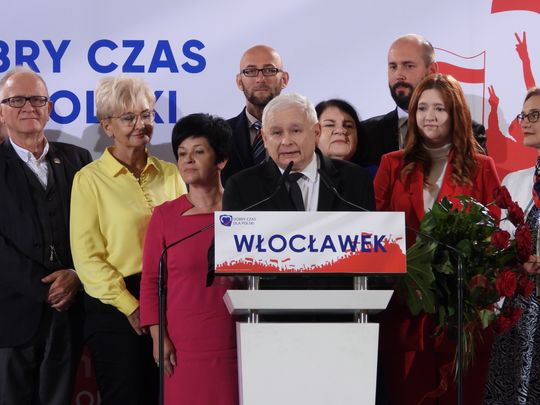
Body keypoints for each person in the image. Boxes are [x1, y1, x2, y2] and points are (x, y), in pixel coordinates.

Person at [374, 73, 500, 405]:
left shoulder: (482, 167)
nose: (429, 116)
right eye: (422, 108)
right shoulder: (391, 165)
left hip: (462, 315)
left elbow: (493, 236)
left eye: (440, 109)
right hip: (405, 311)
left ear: (456, 114)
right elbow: (375, 230)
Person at [70, 75, 186, 405]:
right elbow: (88, 259)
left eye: (146, 114)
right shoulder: (88, 180)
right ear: (107, 125)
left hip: (171, 300)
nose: (140, 124)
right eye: (128, 117)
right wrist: (132, 306)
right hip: (118, 309)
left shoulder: (172, 173)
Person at [0, 67, 92, 404]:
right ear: (1, 112)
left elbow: (94, 229)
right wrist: (44, 288)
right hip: (11, 316)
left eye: (37, 99)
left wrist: (75, 275)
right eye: (16, 100)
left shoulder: (78, 159)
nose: (28, 107)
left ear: (49, 107)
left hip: (68, 313)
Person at [140, 113, 239, 405]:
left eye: (198, 152)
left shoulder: (244, 213)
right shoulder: (165, 216)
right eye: (182, 154)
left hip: (235, 338)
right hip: (182, 345)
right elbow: (151, 282)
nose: (188, 160)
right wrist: (158, 336)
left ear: (221, 160)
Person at [354, 34, 487, 176]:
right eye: (393, 66)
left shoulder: (469, 131)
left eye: (409, 66)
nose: (399, 75)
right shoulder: (365, 133)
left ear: (432, 70)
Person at [484, 87, 540, 404]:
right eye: (523, 115)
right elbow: (499, 247)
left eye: (535, 115)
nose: (526, 122)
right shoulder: (513, 182)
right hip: (517, 313)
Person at [221, 45, 290, 185]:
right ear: (239, 82)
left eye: (269, 70)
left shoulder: (304, 133)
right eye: (250, 71)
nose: (260, 79)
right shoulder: (220, 135)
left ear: (284, 79)